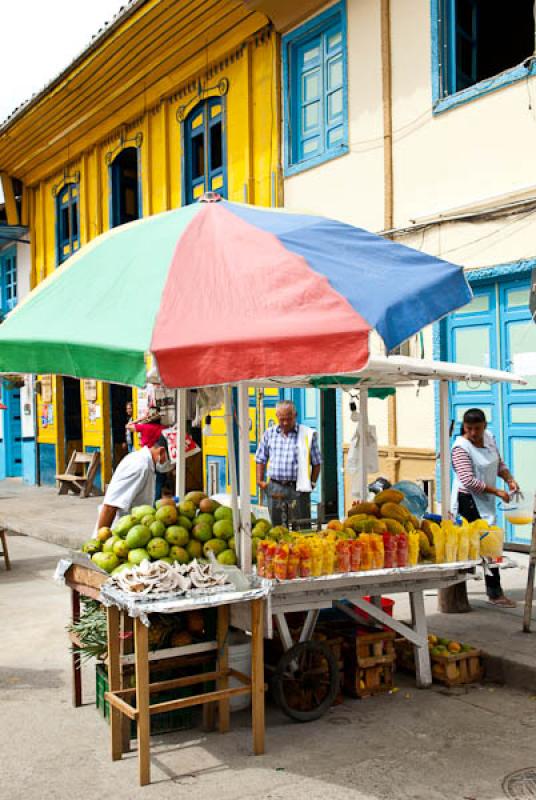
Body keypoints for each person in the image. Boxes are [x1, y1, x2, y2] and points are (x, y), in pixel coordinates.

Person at [451, 408, 519, 608]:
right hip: (467, 499)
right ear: (464, 427)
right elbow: (469, 481)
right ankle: (493, 592)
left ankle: (492, 590)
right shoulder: (460, 448)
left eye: (477, 428)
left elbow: (499, 464)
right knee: (484, 546)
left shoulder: (489, 438)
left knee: (490, 545)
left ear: (485, 426)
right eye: (469, 428)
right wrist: (498, 492)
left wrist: (509, 479)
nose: (473, 433)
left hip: (485, 499)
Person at [255, 400, 322, 527]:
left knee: (302, 526)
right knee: (277, 527)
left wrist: (312, 483)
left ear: (295, 415)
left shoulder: (307, 434)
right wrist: (260, 481)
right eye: (282, 419)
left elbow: (317, 462)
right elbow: (260, 458)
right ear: (276, 416)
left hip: (298, 487)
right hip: (275, 487)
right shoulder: (269, 434)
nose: (285, 423)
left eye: (289, 419)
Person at [96, 435, 171, 531]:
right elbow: (110, 506)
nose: (172, 467)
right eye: (172, 462)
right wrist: (101, 540)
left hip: (135, 532)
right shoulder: (139, 466)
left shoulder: (148, 465)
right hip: (118, 533)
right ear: (161, 451)